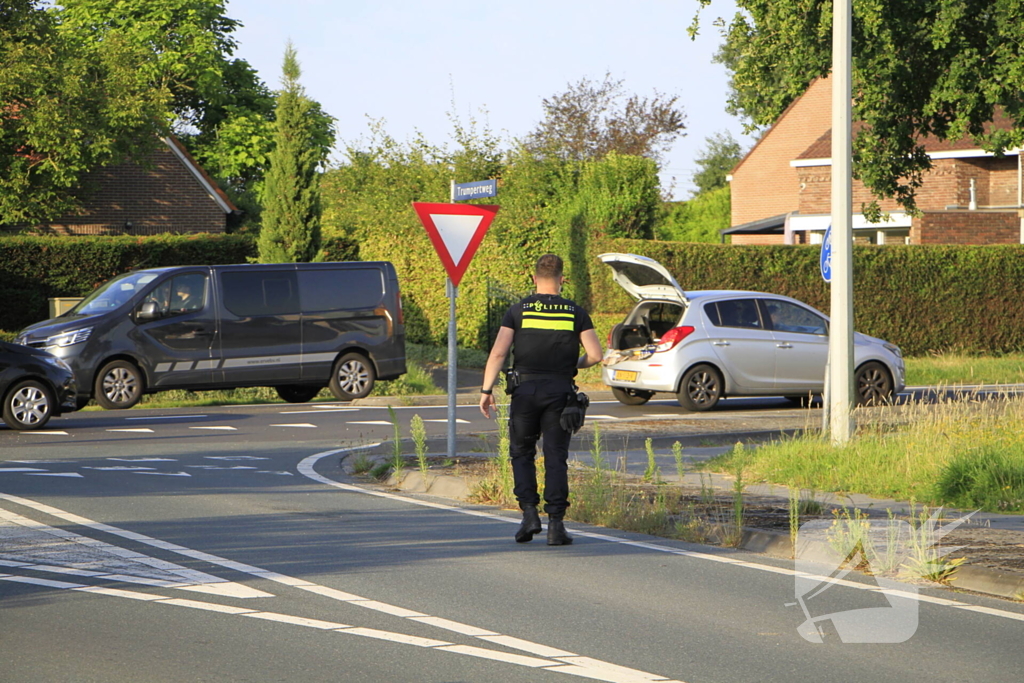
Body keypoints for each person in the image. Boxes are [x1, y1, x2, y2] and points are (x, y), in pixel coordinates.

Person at [479, 254, 603, 545]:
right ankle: (556, 526)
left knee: (522, 452)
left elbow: (498, 353)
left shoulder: (518, 310)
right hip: (560, 393)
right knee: (556, 455)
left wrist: (486, 391)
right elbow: (596, 355)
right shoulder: (576, 312)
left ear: (534, 278)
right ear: (562, 279)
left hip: (525, 392)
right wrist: (573, 365)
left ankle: (529, 515)